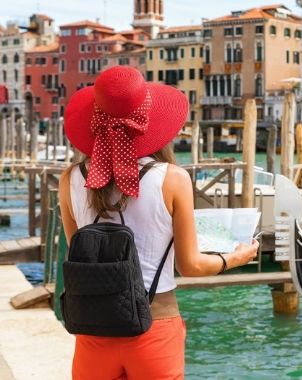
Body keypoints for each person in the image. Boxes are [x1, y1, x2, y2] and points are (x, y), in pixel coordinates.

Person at [58, 66, 259, 379]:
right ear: (150, 125)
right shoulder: (173, 179)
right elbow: (190, 265)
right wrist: (236, 257)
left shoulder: (70, 179)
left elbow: (79, 253)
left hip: (93, 330)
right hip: (154, 326)